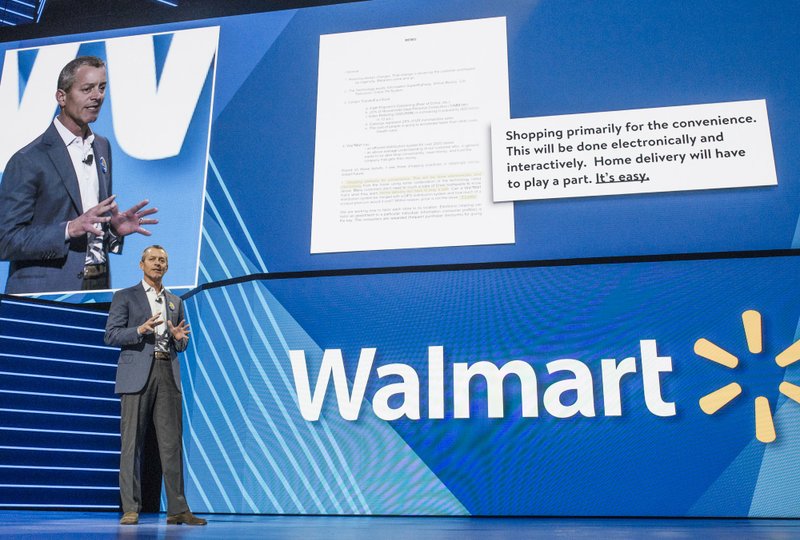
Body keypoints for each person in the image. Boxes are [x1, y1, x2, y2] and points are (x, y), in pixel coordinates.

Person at [0, 55, 157, 294]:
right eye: (87, 89)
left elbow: (92, 226)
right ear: (61, 97)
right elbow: (5, 240)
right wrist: (68, 229)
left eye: (102, 87)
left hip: (97, 286)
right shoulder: (28, 160)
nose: (97, 96)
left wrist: (112, 229)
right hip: (45, 293)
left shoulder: (102, 147)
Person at [104, 245, 206, 526]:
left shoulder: (175, 301)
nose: (158, 264)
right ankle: (130, 507)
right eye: (153, 259)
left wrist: (177, 337)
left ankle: (178, 509)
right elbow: (110, 335)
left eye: (163, 260)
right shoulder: (125, 296)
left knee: (171, 444)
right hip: (136, 373)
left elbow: (183, 344)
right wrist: (139, 330)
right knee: (131, 444)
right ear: (141, 264)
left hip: (167, 371)